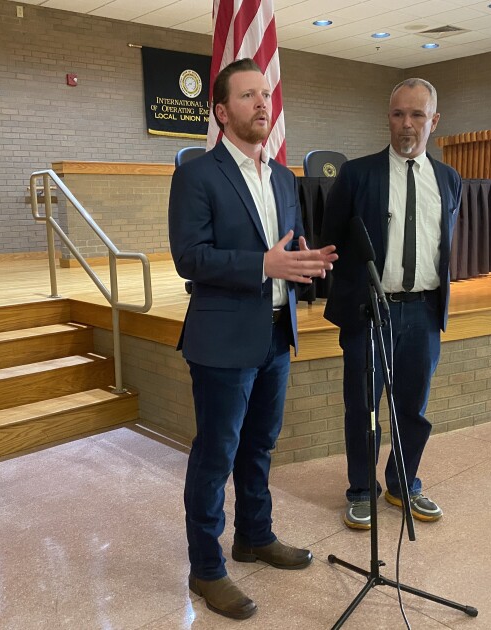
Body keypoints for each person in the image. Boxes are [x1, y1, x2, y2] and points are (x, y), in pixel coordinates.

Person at [168, 58, 338, 620]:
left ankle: (255, 536)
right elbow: (189, 258)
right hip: (221, 339)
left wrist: (304, 262)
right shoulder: (198, 174)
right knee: (215, 455)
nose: (263, 104)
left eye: (265, 94)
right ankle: (206, 567)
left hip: (274, 334)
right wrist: (263, 264)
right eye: (248, 96)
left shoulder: (284, 177)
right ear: (221, 111)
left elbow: (288, 247)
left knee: (260, 446)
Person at [321, 78, 461, 529]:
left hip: (422, 312)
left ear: (433, 121)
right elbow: (332, 243)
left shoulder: (449, 180)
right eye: (399, 113)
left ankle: (404, 482)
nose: (407, 124)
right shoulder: (357, 175)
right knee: (362, 407)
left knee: (412, 407)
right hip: (371, 313)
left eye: (417, 115)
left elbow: (444, 246)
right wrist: (352, 302)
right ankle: (361, 489)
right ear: (388, 118)